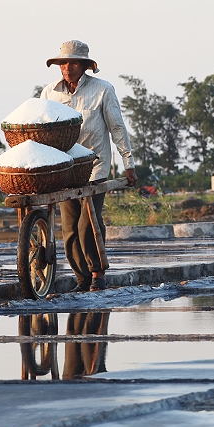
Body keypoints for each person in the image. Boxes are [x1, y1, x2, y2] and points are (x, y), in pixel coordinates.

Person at [40, 40, 136, 291]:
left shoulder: (103, 90)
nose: (67, 68)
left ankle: (97, 272)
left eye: (73, 63)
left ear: (84, 65)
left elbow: (116, 127)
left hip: (96, 166)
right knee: (70, 228)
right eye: (63, 63)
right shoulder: (50, 93)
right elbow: (41, 132)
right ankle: (81, 278)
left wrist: (128, 163)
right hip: (65, 168)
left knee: (88, 222)